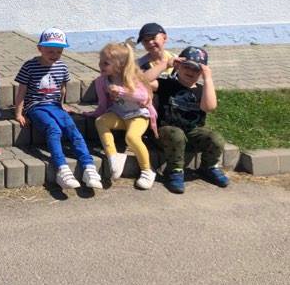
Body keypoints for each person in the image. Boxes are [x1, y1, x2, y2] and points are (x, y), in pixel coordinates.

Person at [14, 28, 102, 190]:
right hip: (36, 106)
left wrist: (61, 104)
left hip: (55, 106)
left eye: (59, 52)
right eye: (50, 51)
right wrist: (19, 113)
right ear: (40, 48)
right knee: (54, 129)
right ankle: (62, 168)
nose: (54, 55)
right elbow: (22, 91)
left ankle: (89, 167)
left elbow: (62, 87)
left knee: (72, 129)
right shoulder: (29, 66)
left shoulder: (62, 66)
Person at [153, 46, 229, 193]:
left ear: (201, 72)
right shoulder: (166, 84)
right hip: (166, 133)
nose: (190, 71)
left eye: (196, 69)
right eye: (187, 66)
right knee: (176, 134)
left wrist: (208, 78)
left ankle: (208, 167)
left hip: (192, 133)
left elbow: (210, 107)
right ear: (178, 65)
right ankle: (174, 170)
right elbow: (141, 81)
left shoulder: (201, 90)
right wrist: (165, 64)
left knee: (216, 138)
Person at [85, 43, 157, 190]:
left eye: (106, 63)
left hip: (138, 115)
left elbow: (143, 96)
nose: (101, 65)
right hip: (119, 114)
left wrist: (122, 91)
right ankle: (113, 156)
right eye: (100, 61)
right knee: (101, 121)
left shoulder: (131, 77)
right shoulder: (102, 81)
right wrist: (94, 113)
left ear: (120, 65)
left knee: (131, 138)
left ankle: (147, 170)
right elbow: (103, 104)